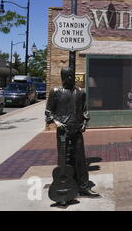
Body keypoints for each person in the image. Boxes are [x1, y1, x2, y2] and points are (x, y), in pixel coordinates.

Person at [45, 66, 99, 198]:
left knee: (80, 159)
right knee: (64, 159)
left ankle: (83, 186)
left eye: (70, 76)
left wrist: (85, 123)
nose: (68, 78)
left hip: (76, 130)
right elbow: (48, 112)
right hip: (63, 132)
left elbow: (84, 111)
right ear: (61, 77)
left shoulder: (80, 92)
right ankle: (65, 185)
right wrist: (57, 123)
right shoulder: (55, 91)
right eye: (65, 76)